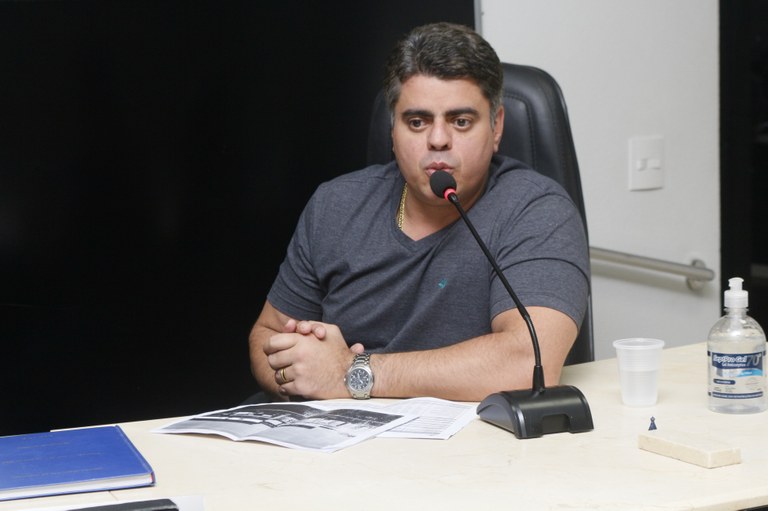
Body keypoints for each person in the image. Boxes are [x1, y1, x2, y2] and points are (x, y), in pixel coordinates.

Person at [248, 22, 589, 403]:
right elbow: (265, 335)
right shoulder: (335, 204)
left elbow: (528, 361)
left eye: (461, 121)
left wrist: (350, 373)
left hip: (468, 438)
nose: (438, 139)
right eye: (417, 122)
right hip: (332, 431)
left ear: (496, 128)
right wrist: (297, 367)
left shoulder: (537, 210)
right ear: (392, 131)